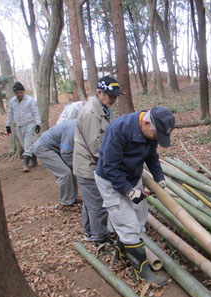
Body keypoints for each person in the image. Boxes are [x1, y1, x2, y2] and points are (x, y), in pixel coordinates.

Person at [94, 107, 175, 286]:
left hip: (132, 177)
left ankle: (121, 254)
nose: (156, 139)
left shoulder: (150, 131)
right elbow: (110, 168)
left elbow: (152, 158)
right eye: (156, 135)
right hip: (110, 181)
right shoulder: (118, 129)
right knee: (128, 225)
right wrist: (130, 192)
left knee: (139, 219)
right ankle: (141, 273)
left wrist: (159, 178)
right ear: (146, 123)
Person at [73, 76, 121, 247]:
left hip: (92, 163)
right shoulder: (91, 114)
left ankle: (89, 232)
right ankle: (99, 239)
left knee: (89, 202)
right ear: (99, 92)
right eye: (110, 96)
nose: (113, 100)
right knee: (98, 205)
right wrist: (116, 164)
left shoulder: (103, 108)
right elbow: (96, 148)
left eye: (115, 97)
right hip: (89, 165)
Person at [33, 119, 79, 209]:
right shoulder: (73, 129)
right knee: (64, 173)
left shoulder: (82, 125)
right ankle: (66, 203)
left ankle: (72, 198)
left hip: (56, 148)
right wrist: (75, 166)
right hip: (44, 148)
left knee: (70, 170)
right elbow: (66, 153)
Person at [6, 81, 41, 172]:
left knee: (28, 144)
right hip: (19, 126)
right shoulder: (12, 101)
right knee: (25, 145)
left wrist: (38, 124)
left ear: (23, 91)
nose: (19, 94)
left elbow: (35, 112)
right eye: (17, 93)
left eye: (20, 92)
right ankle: (34, 160)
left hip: (30, 124)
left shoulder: (30, 100)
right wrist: (8, 125)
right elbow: (10, 113)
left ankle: (25, 163)